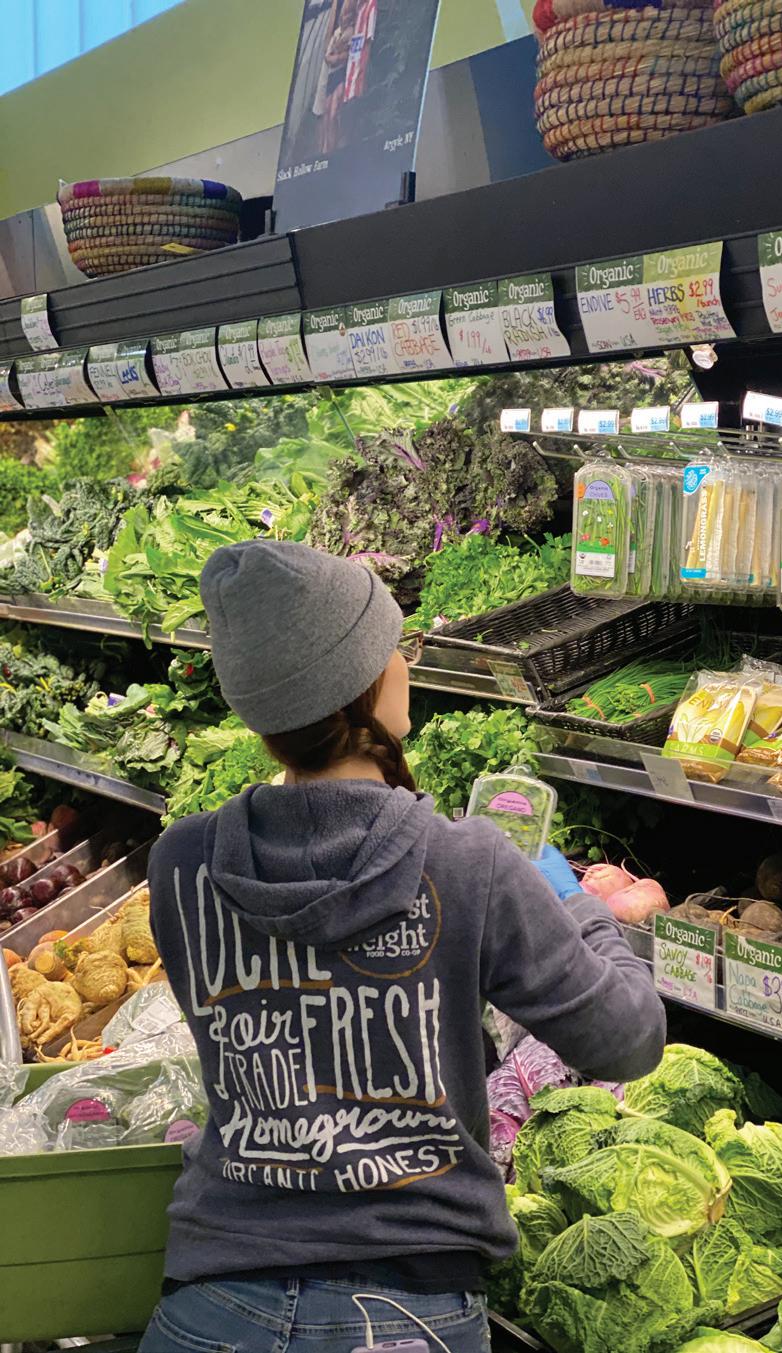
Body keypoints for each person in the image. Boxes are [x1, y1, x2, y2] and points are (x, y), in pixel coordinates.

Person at [140, 539, 665, 1353]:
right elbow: (628, 1039)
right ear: (364, 681)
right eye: (397, 644)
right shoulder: (466, 861)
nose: (405, 663)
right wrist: (577, 909)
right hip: (410, 1308)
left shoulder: (181, 862)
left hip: (212, 1304)